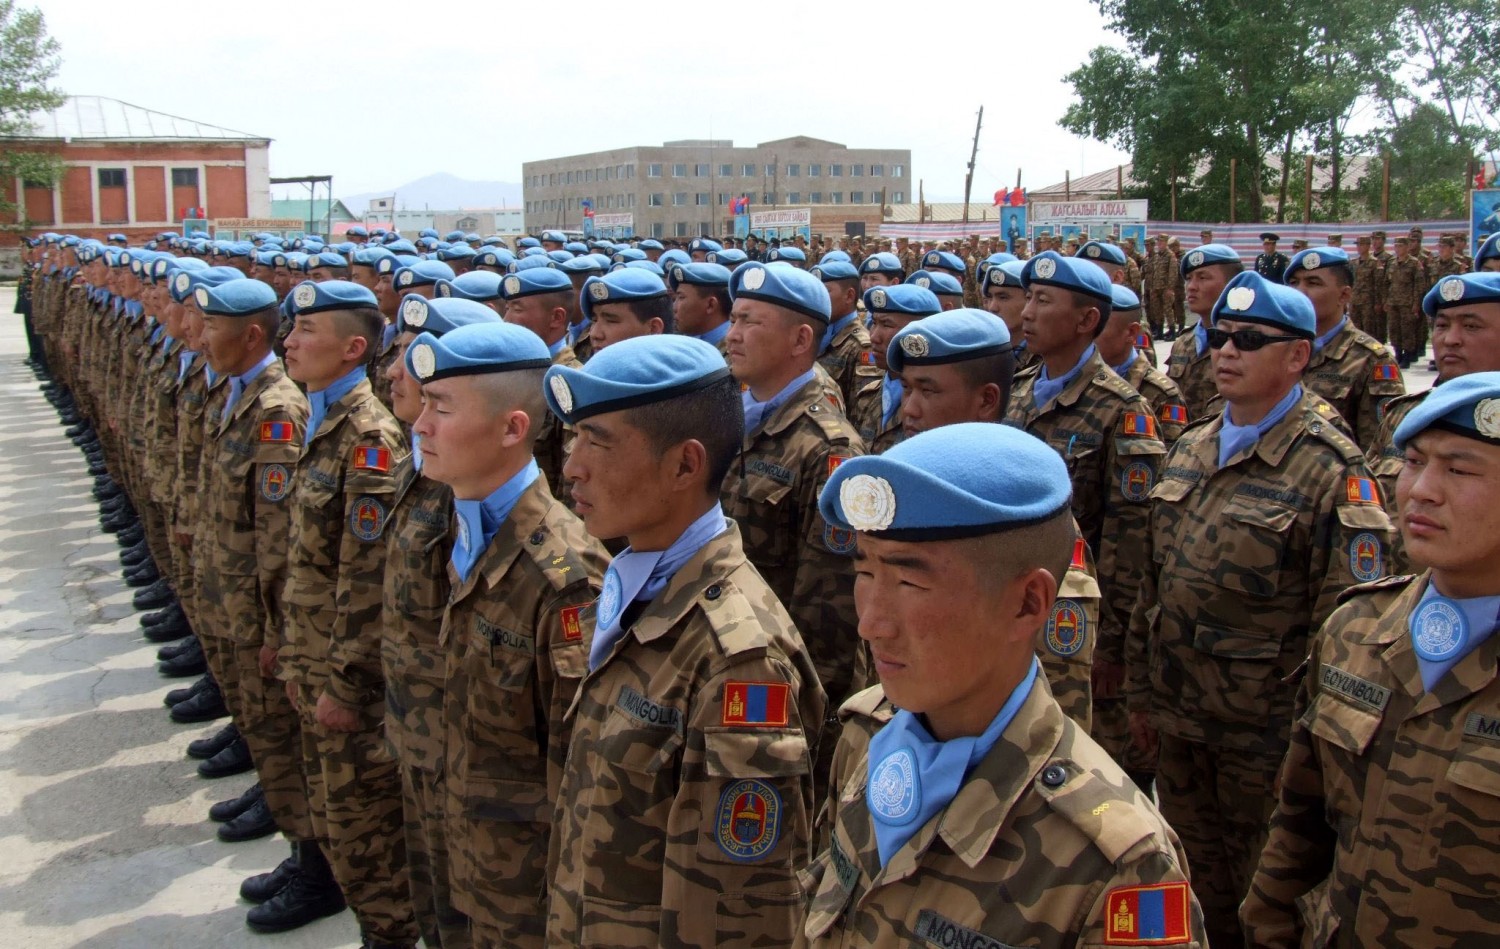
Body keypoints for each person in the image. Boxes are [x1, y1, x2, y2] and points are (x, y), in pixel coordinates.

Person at [800, 423, 1205, 948]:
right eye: (865, 574)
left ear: (1027, 604)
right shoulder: (867, 737)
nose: (871, 622)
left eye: (909, 582)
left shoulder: (1117, 866)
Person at [1125, 271, 1394, 948]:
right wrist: (1140, 697)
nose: (1227, 351)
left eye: (1250, 339)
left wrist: (1313, 753)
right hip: (1183, 727)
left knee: (1269, 911)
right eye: (1220, 336)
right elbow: (1150, 588)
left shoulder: (1331, 469)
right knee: (1192, 895)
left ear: (1298, 356)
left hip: (1266, 743)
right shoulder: (1191, 446)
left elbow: (1349, 630)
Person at [543, 335, 826, 947]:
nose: (572, 466)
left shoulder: (738, 665)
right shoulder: (632, 580)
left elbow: (737, 921)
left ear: (684, 465)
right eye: (575, 437)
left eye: (599, 441)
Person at [1242, 371, 1500, 946]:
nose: (1421, 490)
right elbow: (1299, 824)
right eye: (1413, 462)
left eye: (1459, 469)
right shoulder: (1356, 628)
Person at [404, 321, 607, 947]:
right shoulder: (449, 515)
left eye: (441, 408)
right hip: (445, 833)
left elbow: (577, 773)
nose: (419, 424)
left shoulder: (565, 577)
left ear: (513, 428)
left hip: (521, 889)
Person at [273, 280, 417, 948]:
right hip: (312, 655)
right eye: (291, 329)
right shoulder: (318, 415)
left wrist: (345, 681)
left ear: (352, 347)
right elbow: (309, 560)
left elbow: (366, 581)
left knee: (367, 836)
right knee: (331, 814)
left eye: (306, 332)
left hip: (345, 675)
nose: (289, 341)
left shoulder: (369, 438)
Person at [887, 309, 1101, 731]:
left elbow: (1058, 697)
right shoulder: (905, 498)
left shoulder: (1026, 520)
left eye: (928, 391)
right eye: (906, 388)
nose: (908, 409)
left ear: (986, 400)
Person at [1006, 251, 1166, 782]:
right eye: (1027, 297)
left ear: (1087, 320)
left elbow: (1132, 541)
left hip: (1081, 631)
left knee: (1083, 776)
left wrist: (1113, 645)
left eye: (1043, 300)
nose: (1027, 312)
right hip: (1016, 615)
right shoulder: (1021, 395)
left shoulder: (1123, 411)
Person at [378, 296, 501, 948]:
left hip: (481, 785)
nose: (394, 373)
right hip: (421, 734)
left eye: (416, 365)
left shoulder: (487, 503)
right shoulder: (424, 469)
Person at [720, 262, 865, 773]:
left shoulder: (828, 450)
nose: (732, 336)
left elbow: (829, 611)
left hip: (780, 686)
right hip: (724, 658)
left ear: (801, 338)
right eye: (734, 320)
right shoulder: (735, 415)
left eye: (750, 323)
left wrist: (806, 714)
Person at [849, 284, 943, 454]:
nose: (874, 336)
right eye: (874, 323)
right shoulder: (868, 396)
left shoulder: (936, 402)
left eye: (886, 325)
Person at [1098, 286, 1189, 446]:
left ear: (1131, 333)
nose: (1085, 334)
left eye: (1099, 328)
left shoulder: (1163, 395)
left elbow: (1172, 460)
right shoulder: (1074, 380)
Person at [1165, 243, 1244, 420]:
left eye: (1202, 278)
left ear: (1232, 285)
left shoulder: (1245, 344)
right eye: (1189, 278)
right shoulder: (1183, 343)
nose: (1191, 286)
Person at [811, 259, 875, 408]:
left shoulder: (862, 346)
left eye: (825, 291)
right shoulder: (815, 334)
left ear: (849, 296)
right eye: (815, 291)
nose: (816, 299)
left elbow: (862, 410)